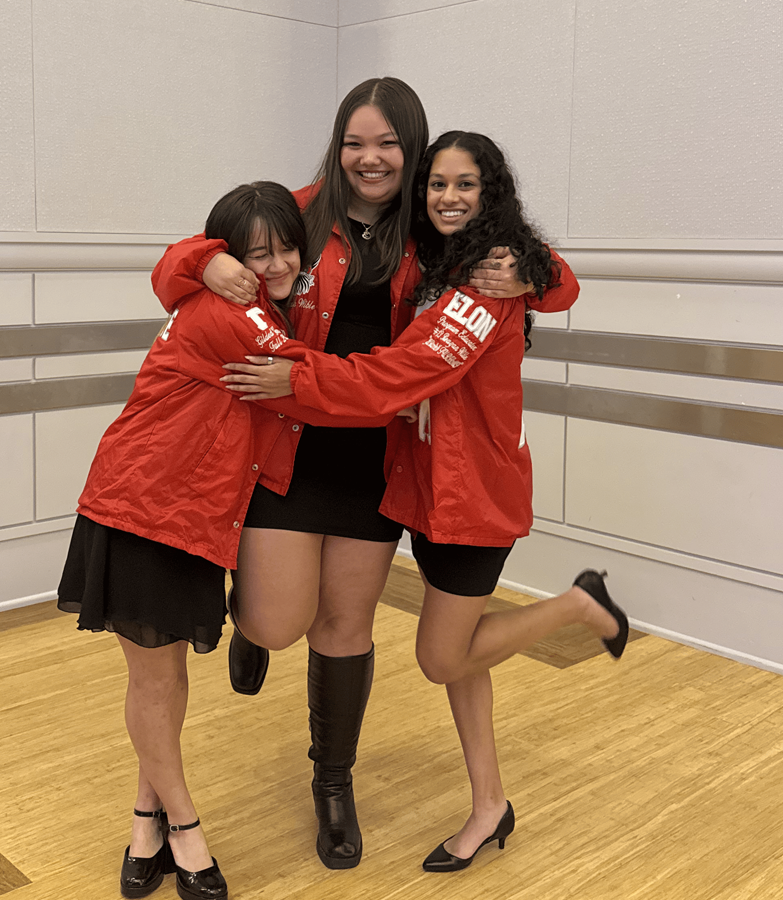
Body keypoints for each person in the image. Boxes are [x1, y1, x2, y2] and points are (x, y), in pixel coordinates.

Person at [150, 77, 547, 871]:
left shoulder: (433, 233)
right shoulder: (301, 211)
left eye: (389, 145)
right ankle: (250, 630)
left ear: (413, 149)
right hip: (287, 440)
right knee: (274, 620)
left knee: (345, 627)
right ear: (337, 148)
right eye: (355, 143)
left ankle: (333, 784)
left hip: (373, 455)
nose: (370, 159)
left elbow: (540, 266)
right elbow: (177, 268)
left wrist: (539, 274)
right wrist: (203, 259)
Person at [221, 132, 630, 873]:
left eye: (465, 186)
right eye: (438, 185)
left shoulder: (486, 279)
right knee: (462, 656)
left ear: (490, 194)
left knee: (444, 658)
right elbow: (218, 242)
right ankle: (489, 804)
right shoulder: (437, 259)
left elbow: (406, 372)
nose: (447, 198)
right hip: (423, 490)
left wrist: (299, 380)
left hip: (471, 495)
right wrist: (206, 261)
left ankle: (577, 604)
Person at [57, 182, 324, 900]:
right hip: (142, 508)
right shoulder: (232, 312)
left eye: (286, 248)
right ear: (229, 258)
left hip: (191, 514)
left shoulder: (242, 299)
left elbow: (308, 191)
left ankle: (145, 817)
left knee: (164, 678)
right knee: (153, 678)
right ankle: (185, 828)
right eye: (254, 252)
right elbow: (309, 378)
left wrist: (348, 159)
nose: (274, 264)